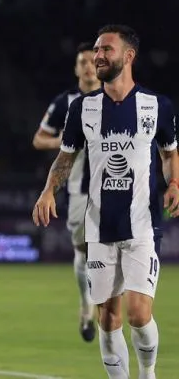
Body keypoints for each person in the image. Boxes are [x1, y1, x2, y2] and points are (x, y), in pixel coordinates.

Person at [33, 25, 178, 379]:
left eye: (106, 50)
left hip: (142, 225)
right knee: (108, 318)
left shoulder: (157, 105)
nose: (98, 56)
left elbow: (170, 153)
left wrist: (174, 181)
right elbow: (66, 157)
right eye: (96, 50)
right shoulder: (82, 108)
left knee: (138, 315)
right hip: (98, 228)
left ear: (128, 56)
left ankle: (148, 373)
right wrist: (49, 189)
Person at [32, 42, 101, 342]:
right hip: (80, 191)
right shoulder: (66, 102)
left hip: (118, 190)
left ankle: (107, 308)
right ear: (76, 69)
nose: (87, 66)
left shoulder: (115, 96)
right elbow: (39, 139)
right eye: (82, 62)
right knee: (84, 250)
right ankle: (87, 306)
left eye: (91, 61)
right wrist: (65, 141)